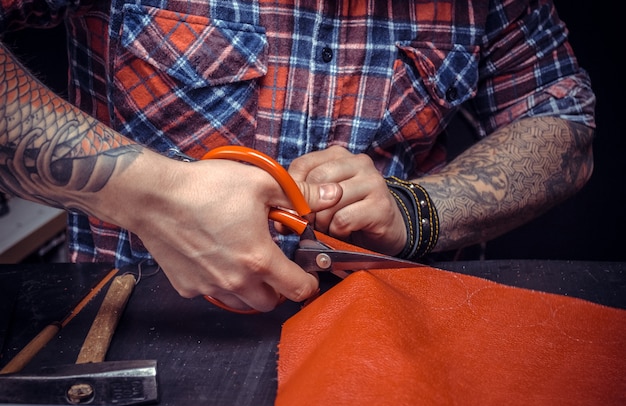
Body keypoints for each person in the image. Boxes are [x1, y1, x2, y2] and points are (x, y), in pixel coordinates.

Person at [0, 1, 595, 312]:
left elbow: (562, 121)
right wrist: (154, 195)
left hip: (386, 324)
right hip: (133, 319)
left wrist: (415, 211)